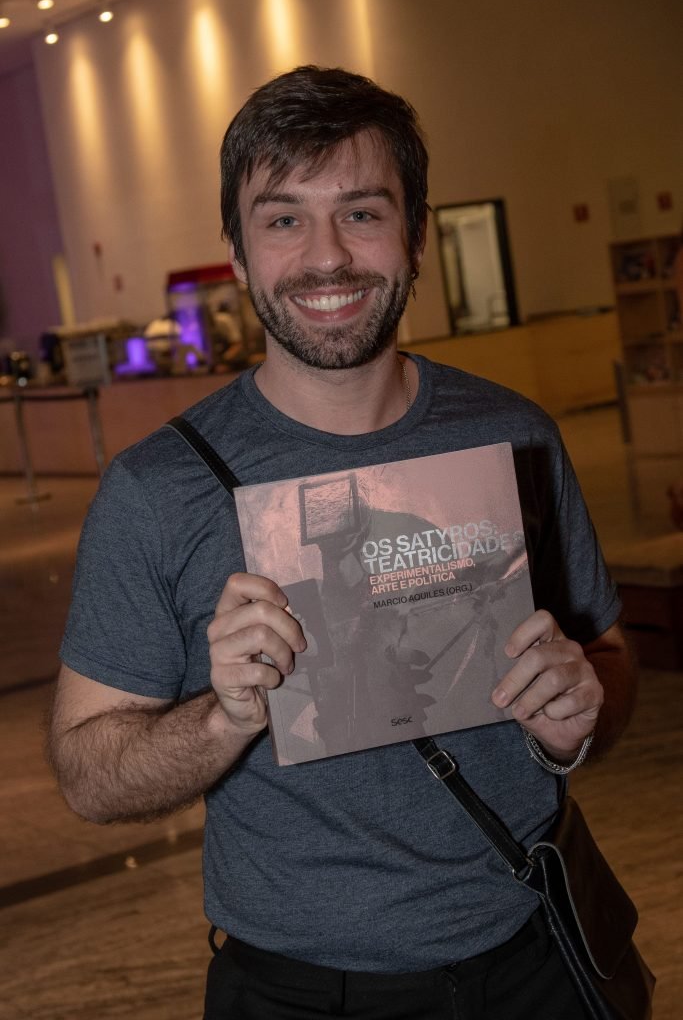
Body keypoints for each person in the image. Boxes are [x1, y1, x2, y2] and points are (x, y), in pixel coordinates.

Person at [49, 66, 636, 1019]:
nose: (327, 258)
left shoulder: (513, 433)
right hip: (302, 990)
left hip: (533, 952)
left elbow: (609, 660)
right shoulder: (156, 489)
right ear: (237, 252)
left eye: (361, 212)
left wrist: (583, 712)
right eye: (282, 219)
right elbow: (87, 775)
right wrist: (226, 716)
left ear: (414, 235)